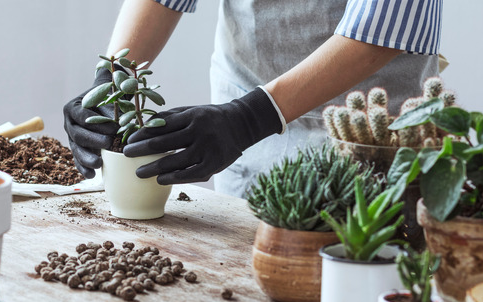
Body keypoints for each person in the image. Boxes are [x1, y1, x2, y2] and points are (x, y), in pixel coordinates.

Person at [63, 0, 441, 198]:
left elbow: (387, 24)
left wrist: (248, 118)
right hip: (245, 130)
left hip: (371, 135)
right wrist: (112, 77)